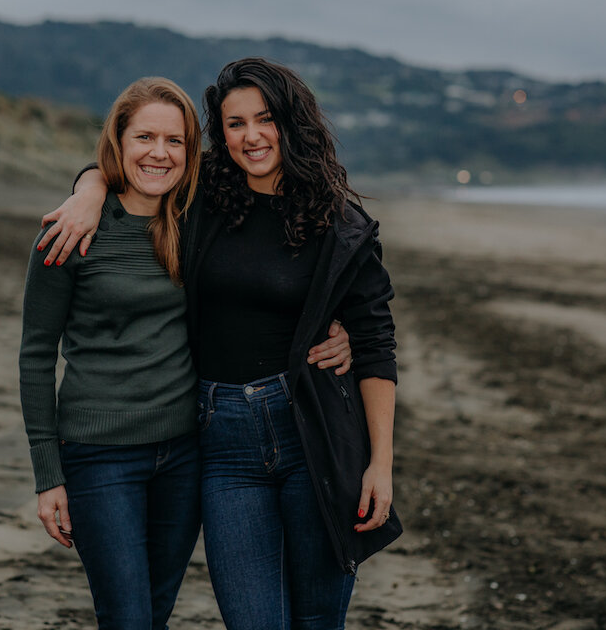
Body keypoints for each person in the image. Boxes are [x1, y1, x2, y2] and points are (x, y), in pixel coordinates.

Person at [42, 58, 401, 630]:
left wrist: (380, 463)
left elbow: (378, 345)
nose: (251, 136)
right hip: (222, 441)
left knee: (316, 619)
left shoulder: (340, 224)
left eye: (265, 119)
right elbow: (139, 163)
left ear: (293, 122)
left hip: (311, 431)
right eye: (235, 124)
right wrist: (87, 188)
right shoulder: (203, 194)